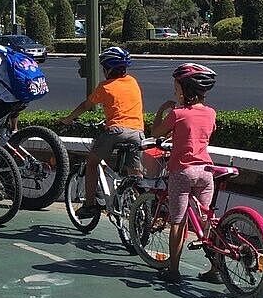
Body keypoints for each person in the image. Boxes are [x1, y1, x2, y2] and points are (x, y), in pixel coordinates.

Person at [146, 63, 219, 284]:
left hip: (182, 171)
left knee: (177, 221)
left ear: (185, 90)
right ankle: (215, 269)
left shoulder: (177, 114)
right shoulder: (211, 113)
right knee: (207, 220)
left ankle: (174, 270)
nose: (174, 90)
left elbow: (155, 133)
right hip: (205, 172)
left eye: (176, 87)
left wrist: (162, 111)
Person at [60, 46, 146, 217]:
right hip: (138, 132)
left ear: (108, 69)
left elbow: (86, 105)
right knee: (135, 173)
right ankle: (142, 207)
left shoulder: (105, 87)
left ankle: (89, 205)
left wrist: (68, 119)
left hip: (116, 131)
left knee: (92, 162)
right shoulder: (132, 81)